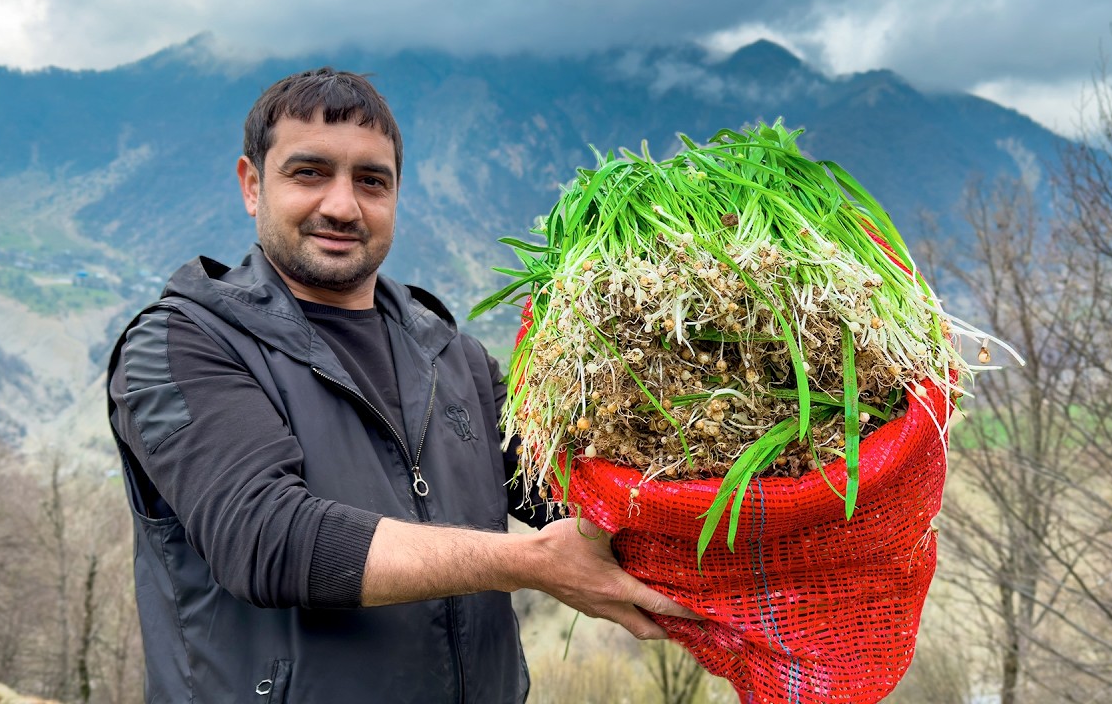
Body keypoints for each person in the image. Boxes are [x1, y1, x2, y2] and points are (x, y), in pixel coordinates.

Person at [106, 67, 696, 703]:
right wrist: (530, 565)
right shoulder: (181, 344)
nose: (342, 205)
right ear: (253, 185)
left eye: (371, 181)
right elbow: (264, 537)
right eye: (309, 173)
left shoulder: (454, 357)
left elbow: (568, 497)